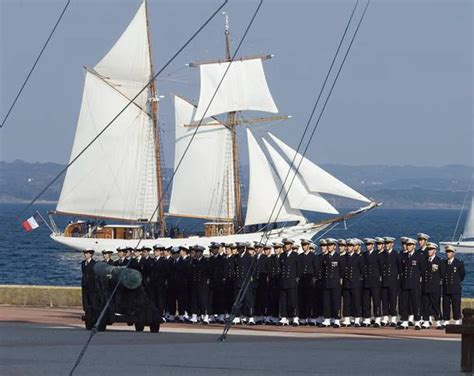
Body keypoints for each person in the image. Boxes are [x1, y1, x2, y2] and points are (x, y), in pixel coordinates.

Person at [398, 238, 424, 330]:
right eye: (407, 245)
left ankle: (417, 322)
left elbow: (422, 270)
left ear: (414, 246)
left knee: (415, 303)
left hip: (415, 284)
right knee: (404, 303)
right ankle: (404, 321)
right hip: (405, 283)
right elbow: (401, 270)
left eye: (410, 245)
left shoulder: (419, 256)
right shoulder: (404, 256)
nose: (408, 246)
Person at [421, 243, 445, 329]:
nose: (429, 251)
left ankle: (438, 321)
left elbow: (442, 274)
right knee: (425, 304)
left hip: (435, 287)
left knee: (435, 304)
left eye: (431, 249)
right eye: (428, 249)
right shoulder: (425, 261)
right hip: (426, 286)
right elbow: (422, 273)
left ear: (435, 251)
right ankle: (426, 321)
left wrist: (438, 283)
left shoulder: (439, 261)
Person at [322, 238, 345, 328]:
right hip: (327, 282)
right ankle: (327, 319)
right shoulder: (325, 257)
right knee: (326, 302)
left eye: (331, 245)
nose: (329, 247)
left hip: (335, 282)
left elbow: (342, 270)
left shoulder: (338, 257)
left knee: (336, 301)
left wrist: (338, 278)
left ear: (334, 246)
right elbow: (323, 270)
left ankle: (337, 320)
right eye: (328, 245)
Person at [342, 239, 364, 327]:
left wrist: (358, 280)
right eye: (348, 246)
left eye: (351, 246)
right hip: (346, 282)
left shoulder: (359, 257)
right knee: (346, 302)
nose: (349, 247)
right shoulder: (343, 257)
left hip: (355, 283)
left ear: (354, 247)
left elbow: (362, 270)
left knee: (356, 302)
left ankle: (357, 320)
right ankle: (347, 319)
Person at [279, 238, 301, 326]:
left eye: (288, 244)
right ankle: (284, 317)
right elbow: (281, 268)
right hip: (284, 281)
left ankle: (295, 317)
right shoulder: (282, 255)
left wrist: (296, 279)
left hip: (292, 282)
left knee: (293, 301)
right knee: (283, 301)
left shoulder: (295, 255)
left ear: (291, 245)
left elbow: (299, 269)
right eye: (285, 244)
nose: (286, 246)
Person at [442, 245, 465, 326]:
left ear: (453, 253)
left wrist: (457, 282)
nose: (448, 253)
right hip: (446, 287)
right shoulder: (443, 263)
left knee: (456, 304)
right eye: (447, 252)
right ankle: (446, 319)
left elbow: (462, 275)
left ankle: (457, 319)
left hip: (455, 287)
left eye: (450, 252)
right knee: (446, 304)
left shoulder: (459, 263)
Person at [361, 238, 382, 327]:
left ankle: (377, 318)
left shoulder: (377, 254)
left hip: (375, 281)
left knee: (376, 300)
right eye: (367, 245)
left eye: (369, 244)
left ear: (373, 245)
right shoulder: (364, 254)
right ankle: (367, 319)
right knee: (366, 301)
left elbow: (381, 267)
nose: (368, 246)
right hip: (366, 281)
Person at [233, 242, 254, 324]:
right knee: (237, 300)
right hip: (238, 281)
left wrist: (251, 279)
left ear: (244, 248)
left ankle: (250, 316)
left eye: (241, 248)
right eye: (238, 248)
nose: (239, 250)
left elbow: (253, 269)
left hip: (246, 282)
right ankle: (238, 316)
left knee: (248, 300)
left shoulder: (249, 257)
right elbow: (235, 268)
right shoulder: (236, 257)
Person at [380, 237, 400, 327]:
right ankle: (385, 317)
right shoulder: (381, 255)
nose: (387, 245)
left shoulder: (396, 255)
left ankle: (393, 318)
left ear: (392, 244)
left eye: (388, 243)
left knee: (392, 300)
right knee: (384, 300)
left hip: (393, 281)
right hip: (384, 281)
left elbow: (400, 269)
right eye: (386, 243)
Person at [190, 245, 210, 324]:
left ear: (201, 253)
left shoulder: (205, 261)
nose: (196, 254)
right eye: (196, 252)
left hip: (203, 284)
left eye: (198, 252)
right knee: (194, 300)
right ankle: (195, 316)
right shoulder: (194, 261)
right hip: (195, 283)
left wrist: (207, 281)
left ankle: (205, 316)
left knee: (203, 301)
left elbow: (208, 272)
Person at [298, 239, 315, 326]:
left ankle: (310, 318)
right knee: (302, 300)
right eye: (303, 245)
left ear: (308, 245)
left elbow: (316, 268)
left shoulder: (313, 256)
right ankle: (303, 318)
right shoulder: (300, 256)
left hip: (310, 281)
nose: (304, 246)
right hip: (302, 281)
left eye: (305, 245)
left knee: (310, 300)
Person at [208, 243, 225, 323]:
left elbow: (224, 270)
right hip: (212, 282)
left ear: (218, 249)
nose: (214, 250)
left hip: (219, 282)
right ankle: (212, 315)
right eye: (213, 249)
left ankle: (221, 316)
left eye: (215, 249)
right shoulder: (210, 259)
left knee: (220, 299)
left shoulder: (222, 259)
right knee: (212, 300)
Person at [81, 249, 98, 327]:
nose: (85, 255)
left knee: (92, 300)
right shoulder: (83, 263)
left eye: (87, 253)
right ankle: (87, 313)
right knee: (85, 300)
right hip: (85, 284)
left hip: (92, 285)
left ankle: (93, 316)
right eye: (85, 253)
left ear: (91, 255)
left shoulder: (94, 263)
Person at [174, 245, 192, 323]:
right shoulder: (179, 260)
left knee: (187, 299)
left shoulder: (189, 260)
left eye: (181, 251)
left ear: (184, 251)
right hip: (179, 283)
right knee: (180, 299)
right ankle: (181, 315)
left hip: (187, 283)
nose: (179, 252)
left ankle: (188, 313)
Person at [254, 242, 270, 325]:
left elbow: (268, 269)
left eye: (258, 248)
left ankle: (265, 315)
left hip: (263, 281)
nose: (257, 249)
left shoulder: (265, 258)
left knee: (263, 299)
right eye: (256, 248)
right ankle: (258, 316)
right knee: (257, 300)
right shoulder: (254, 258)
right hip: (256, 282)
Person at [268, 242, 283, 324]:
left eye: (277, 248)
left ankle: (281, 316)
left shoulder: (282, 257)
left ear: (280, 249)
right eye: (275, 248)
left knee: (281, 300)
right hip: (273, 282)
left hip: (280, 281)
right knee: (273, 299)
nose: (275, 250)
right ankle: (274, 316)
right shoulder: (272, 258)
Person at [222, 243, 236, 322]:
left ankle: (232, 314)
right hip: (226, 281)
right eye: (226, 249)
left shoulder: (233, 258)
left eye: (228, 249)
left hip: (232, 281)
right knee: (226, 298)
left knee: (232, 298)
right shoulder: (224, 259)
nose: (226, 250)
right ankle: (226, 313)